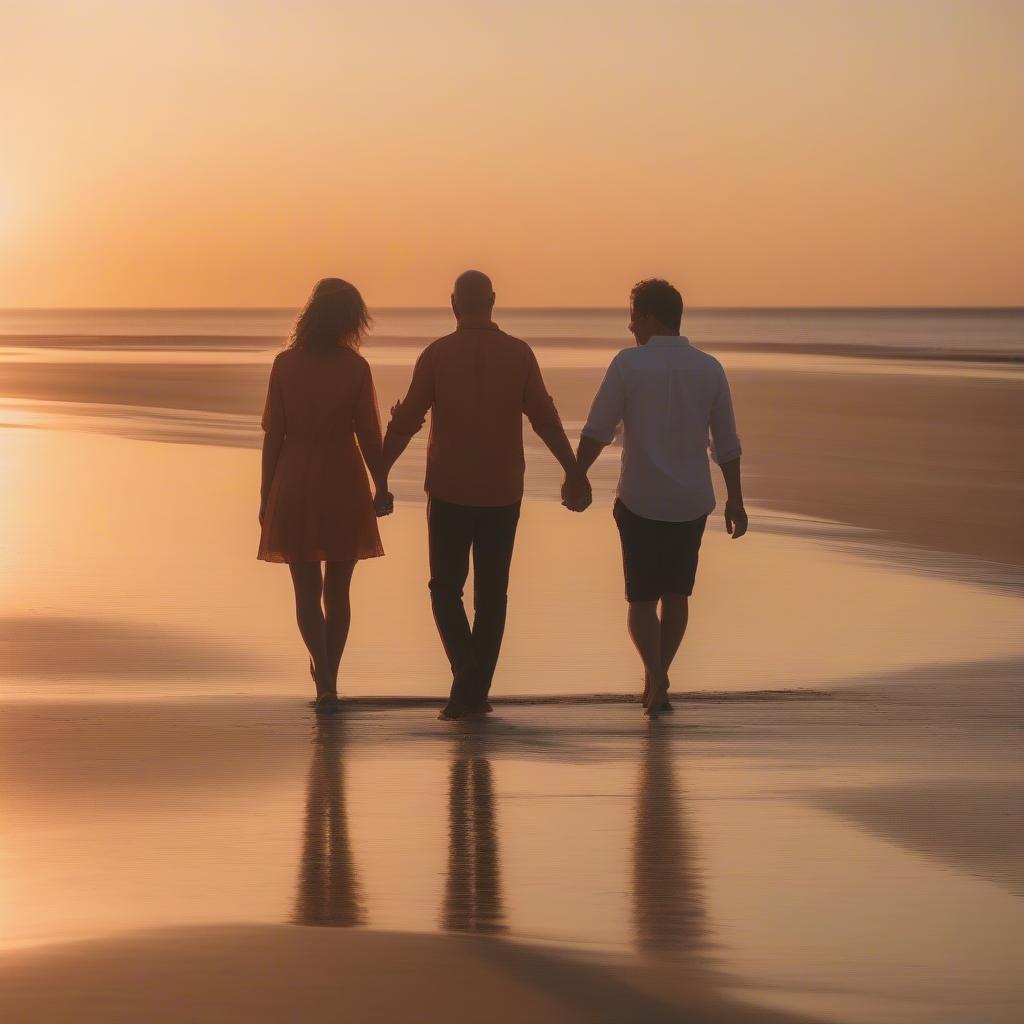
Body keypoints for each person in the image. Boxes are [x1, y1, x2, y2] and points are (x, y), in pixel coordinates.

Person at [378, 270, 590, 720]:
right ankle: (474, 687)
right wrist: (573, 471)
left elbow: (406, 421)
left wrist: (379, 475)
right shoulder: (519, 354)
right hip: (501, 491)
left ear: (454, 304)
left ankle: (467, 679)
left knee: (444, 590)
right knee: (493, 595)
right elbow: (546, 419)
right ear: (493, 300)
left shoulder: (437, 355)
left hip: (451, 490)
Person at [575, 279, 747, 718]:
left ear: (650, 317)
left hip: (639, 498)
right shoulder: (709, 368)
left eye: (633, 315)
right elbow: (725, 443)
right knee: (677, 596)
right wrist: (736, 500)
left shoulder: (628, 364)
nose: (630, 325)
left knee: (640, 600)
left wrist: (576, 475)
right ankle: (658, 681)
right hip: (691, 500)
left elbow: (598, 428)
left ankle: (657, 675)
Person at [258, 278, 392, 710]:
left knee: (305, 588)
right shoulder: (355, 369)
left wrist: (266, 494)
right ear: (352, 320)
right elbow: (370, 437)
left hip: (294, 477)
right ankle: (330, 677)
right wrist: (382, 484)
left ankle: (324, 678)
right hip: (343, 479)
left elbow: (273, 436)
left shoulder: (285, 364)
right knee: (339, 589)